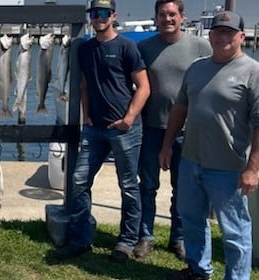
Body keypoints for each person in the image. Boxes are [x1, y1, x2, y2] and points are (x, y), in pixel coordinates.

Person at [161, 11, 259, 280]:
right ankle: (198, 269)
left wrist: (253, 168)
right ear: (210, 35)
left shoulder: (252, 71)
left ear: (241, 36)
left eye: (229, 32)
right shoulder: (197, 67)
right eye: (218, 31)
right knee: (191, 220)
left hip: (229, 168)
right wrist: (167, 144)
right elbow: (180, 108)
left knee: (235, 231)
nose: (223, 37)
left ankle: (237, 277)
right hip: (191, 160)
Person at [54, 0, 150, 263]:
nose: (99, 17)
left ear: (113, 16)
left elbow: (143, 87)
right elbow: (84, 84)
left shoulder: (127, 47)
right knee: (79, 181)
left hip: (125, 130)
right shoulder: (85, 49)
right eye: (95, 13)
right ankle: (81, 239)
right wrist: (86, 116)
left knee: (129, 186)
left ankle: (127, 242)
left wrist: (129, 119)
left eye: (104, 13)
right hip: (95, 129)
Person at [134, 0, 212, 260]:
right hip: (151, 128)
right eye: (162, 14)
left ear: (182, 17)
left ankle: (178, 237)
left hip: (186, 131)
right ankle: (145, 236)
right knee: (148, 185)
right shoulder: (144, 48)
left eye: (172, 14)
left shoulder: (200, 46)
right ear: (155, 18)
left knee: (183, 188)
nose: (167, 19)